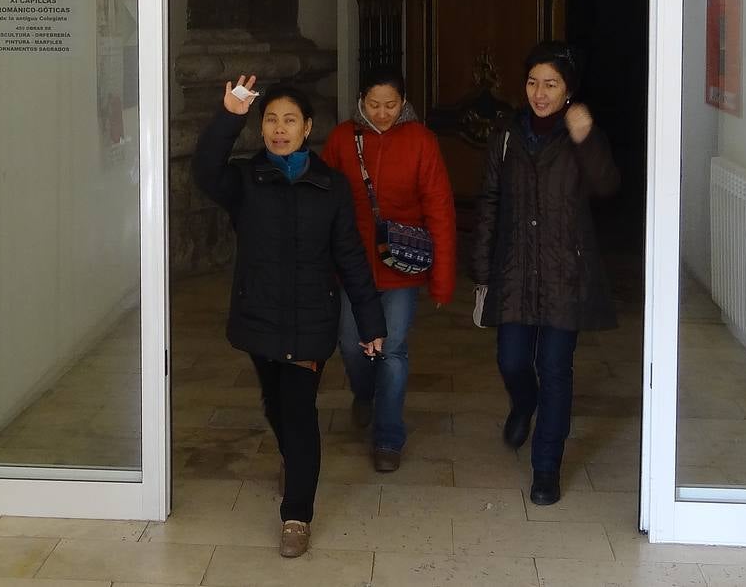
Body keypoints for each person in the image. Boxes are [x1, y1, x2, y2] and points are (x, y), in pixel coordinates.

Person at [192, 75, 386, 558]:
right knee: (274, 404)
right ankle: (294, 462)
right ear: (262, 128)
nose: (280, 129)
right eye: (271, 120)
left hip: (311, 319)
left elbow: (351, 257)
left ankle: (296, 513)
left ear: (307, 128)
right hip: (260, 315)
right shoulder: (244, 180)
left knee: (299, 413)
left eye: (290, 121)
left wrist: (371, 323)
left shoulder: (331, 186)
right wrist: (229, 115)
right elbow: (203, 170)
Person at [471, 41, 620, 506]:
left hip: (564, 271)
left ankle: (546, 468)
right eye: (533, 83)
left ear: (568, 91)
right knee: (512, 360)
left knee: (555, 369)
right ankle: (523, 401)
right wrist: (481, 267)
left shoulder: (580, 133)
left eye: (550, 85)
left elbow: (606, 184)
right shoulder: (508, 135)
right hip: (514, 266)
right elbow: (491, 201)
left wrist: (586, 137)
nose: (539, 93)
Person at [321, 66, 457, 473]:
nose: (382, 114)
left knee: (393, 351)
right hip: (352, 265)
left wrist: (443, 279)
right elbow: (323, 200)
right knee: (350, 343)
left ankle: (388, 438)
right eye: (374, 105)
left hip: (401, 265)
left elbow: (440, 210)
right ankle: (364, 394)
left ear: (404, 104)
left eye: (391, 106)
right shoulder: (344, 139)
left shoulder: (421, 141)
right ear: (361, 101)